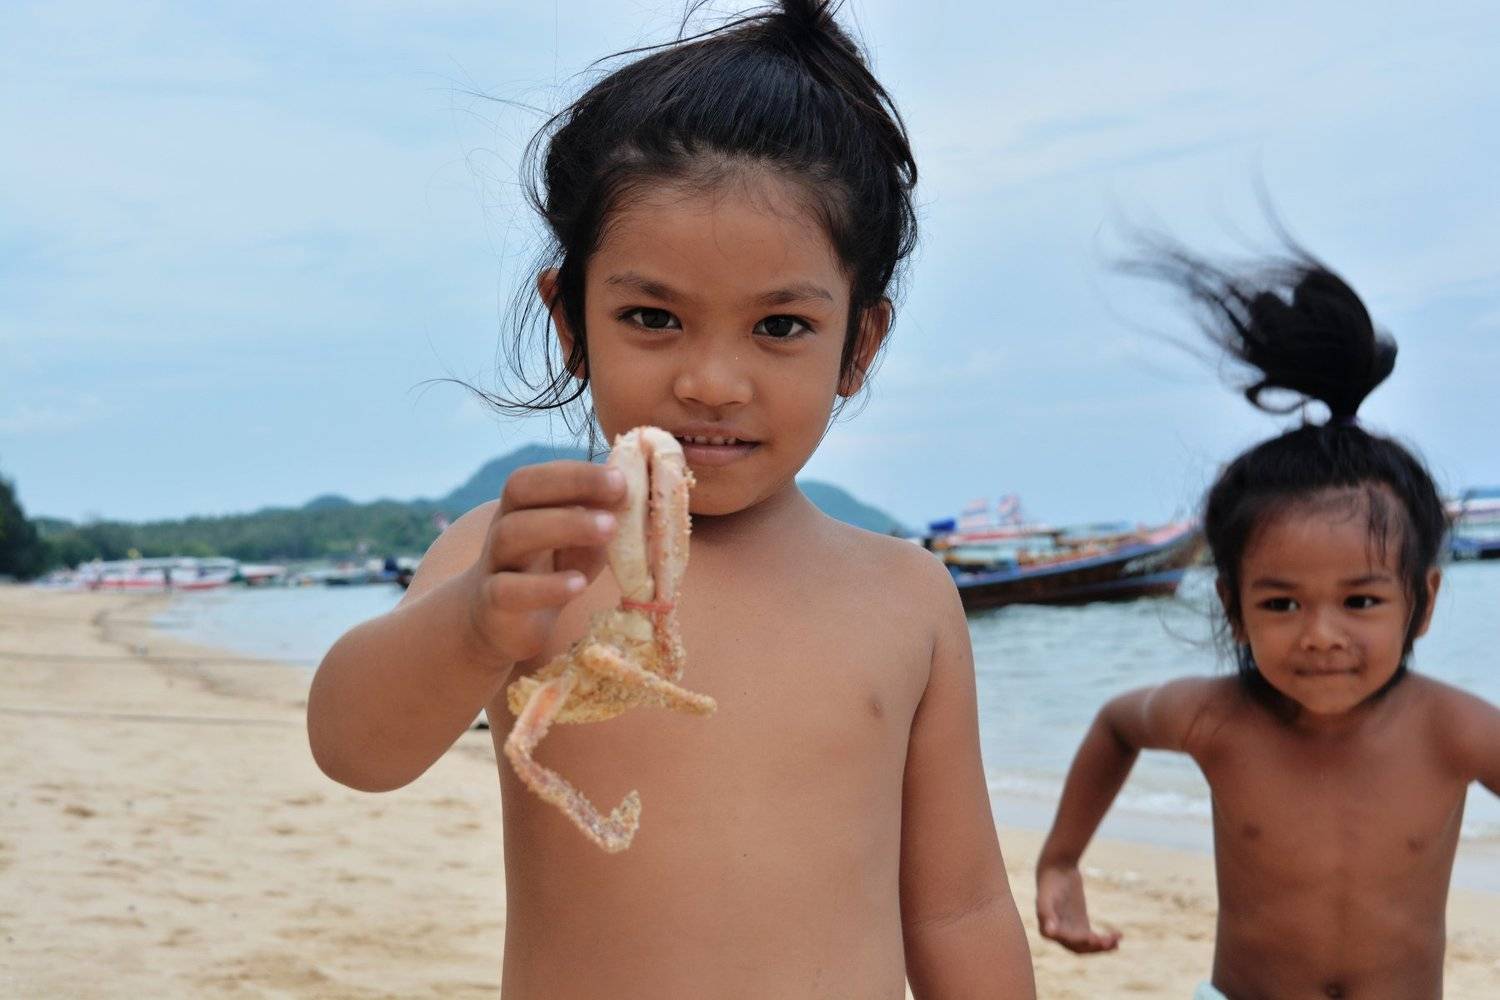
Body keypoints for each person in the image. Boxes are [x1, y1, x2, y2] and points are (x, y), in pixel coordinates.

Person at [306, 3, 1035, 997]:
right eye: (653, 317)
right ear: (572, 323)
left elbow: (960, 908)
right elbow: (355, 751)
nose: (712, 382)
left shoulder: (907, 594)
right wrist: (474, 624)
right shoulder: (523, 556)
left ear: (858, 345)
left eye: (780, 326)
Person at [1033, 242, 1500, 999]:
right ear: (1234, 607)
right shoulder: (1216, 719)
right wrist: (1060, 860)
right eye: (1281, 603)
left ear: (1423, 602)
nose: (1320, 634)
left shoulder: (1457, 731)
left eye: (1360, 600)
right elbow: (1117, 726)